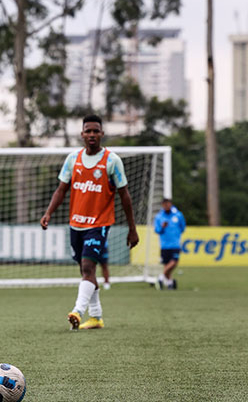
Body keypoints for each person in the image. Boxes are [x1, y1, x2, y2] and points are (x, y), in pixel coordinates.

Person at [40, 114, 139, 330]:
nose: (92, 135)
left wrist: (132, 229)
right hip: (76, 224)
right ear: (82, 134)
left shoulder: (112, 161)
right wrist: (48, 212)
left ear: (102, 134)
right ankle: (96, 317)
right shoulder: (72, 159)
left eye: (96, 131)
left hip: (99, 223)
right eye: (88, 131)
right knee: (87, 273)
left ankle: (77, 311)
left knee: (87, 268)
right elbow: (61, 189)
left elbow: (125, 196)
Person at [154, 198, 185, 290]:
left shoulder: (178, 215)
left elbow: (182, 227)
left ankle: (161, 277)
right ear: (162, 205)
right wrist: (162, 227)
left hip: (175, 243)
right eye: (165, 204)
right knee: (167, 265)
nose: (167, 206)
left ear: (171, 204)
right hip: (164, 244)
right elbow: (157, 230)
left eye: (168, 204)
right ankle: (170, 283)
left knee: (174, 262)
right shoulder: (159, 217)